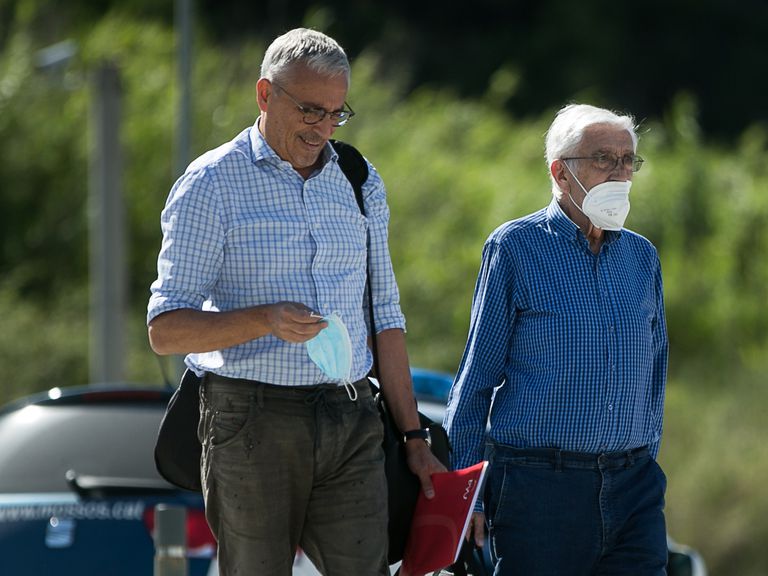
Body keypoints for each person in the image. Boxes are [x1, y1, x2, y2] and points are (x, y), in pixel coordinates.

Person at [147, 28, 443, 575]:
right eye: (310, 110)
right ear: (265, 95)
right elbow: (166, 330)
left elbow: (386, 317)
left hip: (351, 413)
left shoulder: (358, 179)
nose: (324, 128)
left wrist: (413, 437)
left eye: (337, 113)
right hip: (249, 419)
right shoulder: (210, 183)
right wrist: (265, 319)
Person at [444, 103, 669, 575]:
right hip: (538, 490)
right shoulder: (514, 248)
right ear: (561, 173)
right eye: (603, 158)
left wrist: (645, 461)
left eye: (628, 160)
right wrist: (465, 497)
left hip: (633, 488)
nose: (620, 172)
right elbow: (475, 379)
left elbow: (654, 374)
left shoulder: (642, 257)